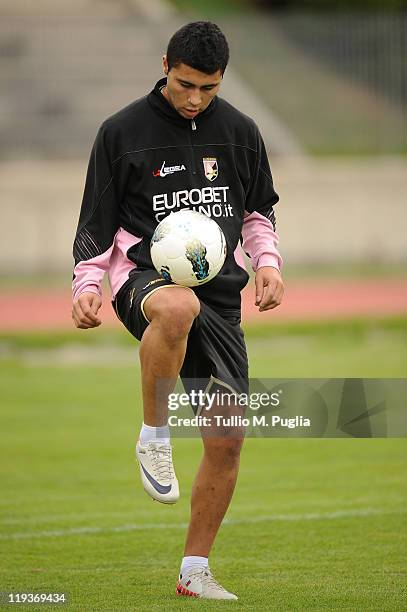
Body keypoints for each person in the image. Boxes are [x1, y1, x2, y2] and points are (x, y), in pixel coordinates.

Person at [72, 21, 284, 601]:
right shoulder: (121, 132)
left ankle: (194, 570)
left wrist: (268, 264)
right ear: (165, 63)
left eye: (208, 88)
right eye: (185, 83)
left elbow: (258, 212)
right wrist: (85, 285)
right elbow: (94, 223)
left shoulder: (240, 132)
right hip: (142, 282)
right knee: (176, 305)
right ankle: (154, 434)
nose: (195, 98)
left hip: (219, 298)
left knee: (227, 440)